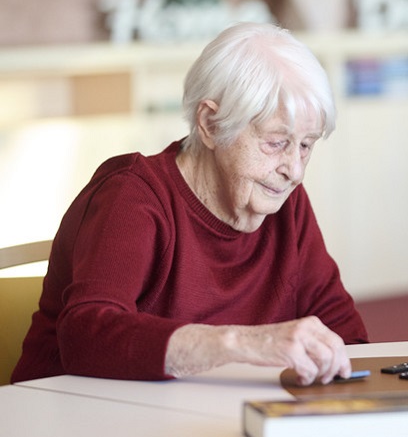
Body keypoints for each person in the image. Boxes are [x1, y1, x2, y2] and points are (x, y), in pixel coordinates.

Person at [11, 22, 368, 385]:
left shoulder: (281, 203)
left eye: (306, 145)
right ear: (211, 123)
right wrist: (241, 343)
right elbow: (86, 336)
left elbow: (345, 336)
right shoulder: (131, 196)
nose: (294, 171)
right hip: (72, 419)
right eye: (276, 142)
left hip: (201, 423)